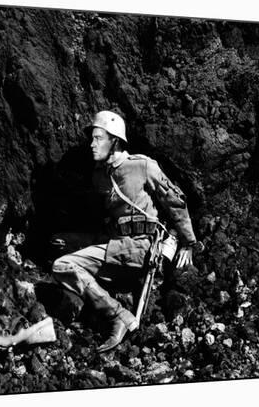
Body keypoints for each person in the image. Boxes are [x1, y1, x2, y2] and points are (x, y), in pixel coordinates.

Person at [51, 110, 198, 352]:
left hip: (141, 248)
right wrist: (78, 241)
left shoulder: (142, 166)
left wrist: (189, 242)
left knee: (63, 266)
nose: (92, 144)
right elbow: (109, 224)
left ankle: (117, 315)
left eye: (98, 138)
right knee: (59, 242)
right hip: (116, 244)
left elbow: (175, 201)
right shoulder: (99, 176)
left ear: (115, 141)